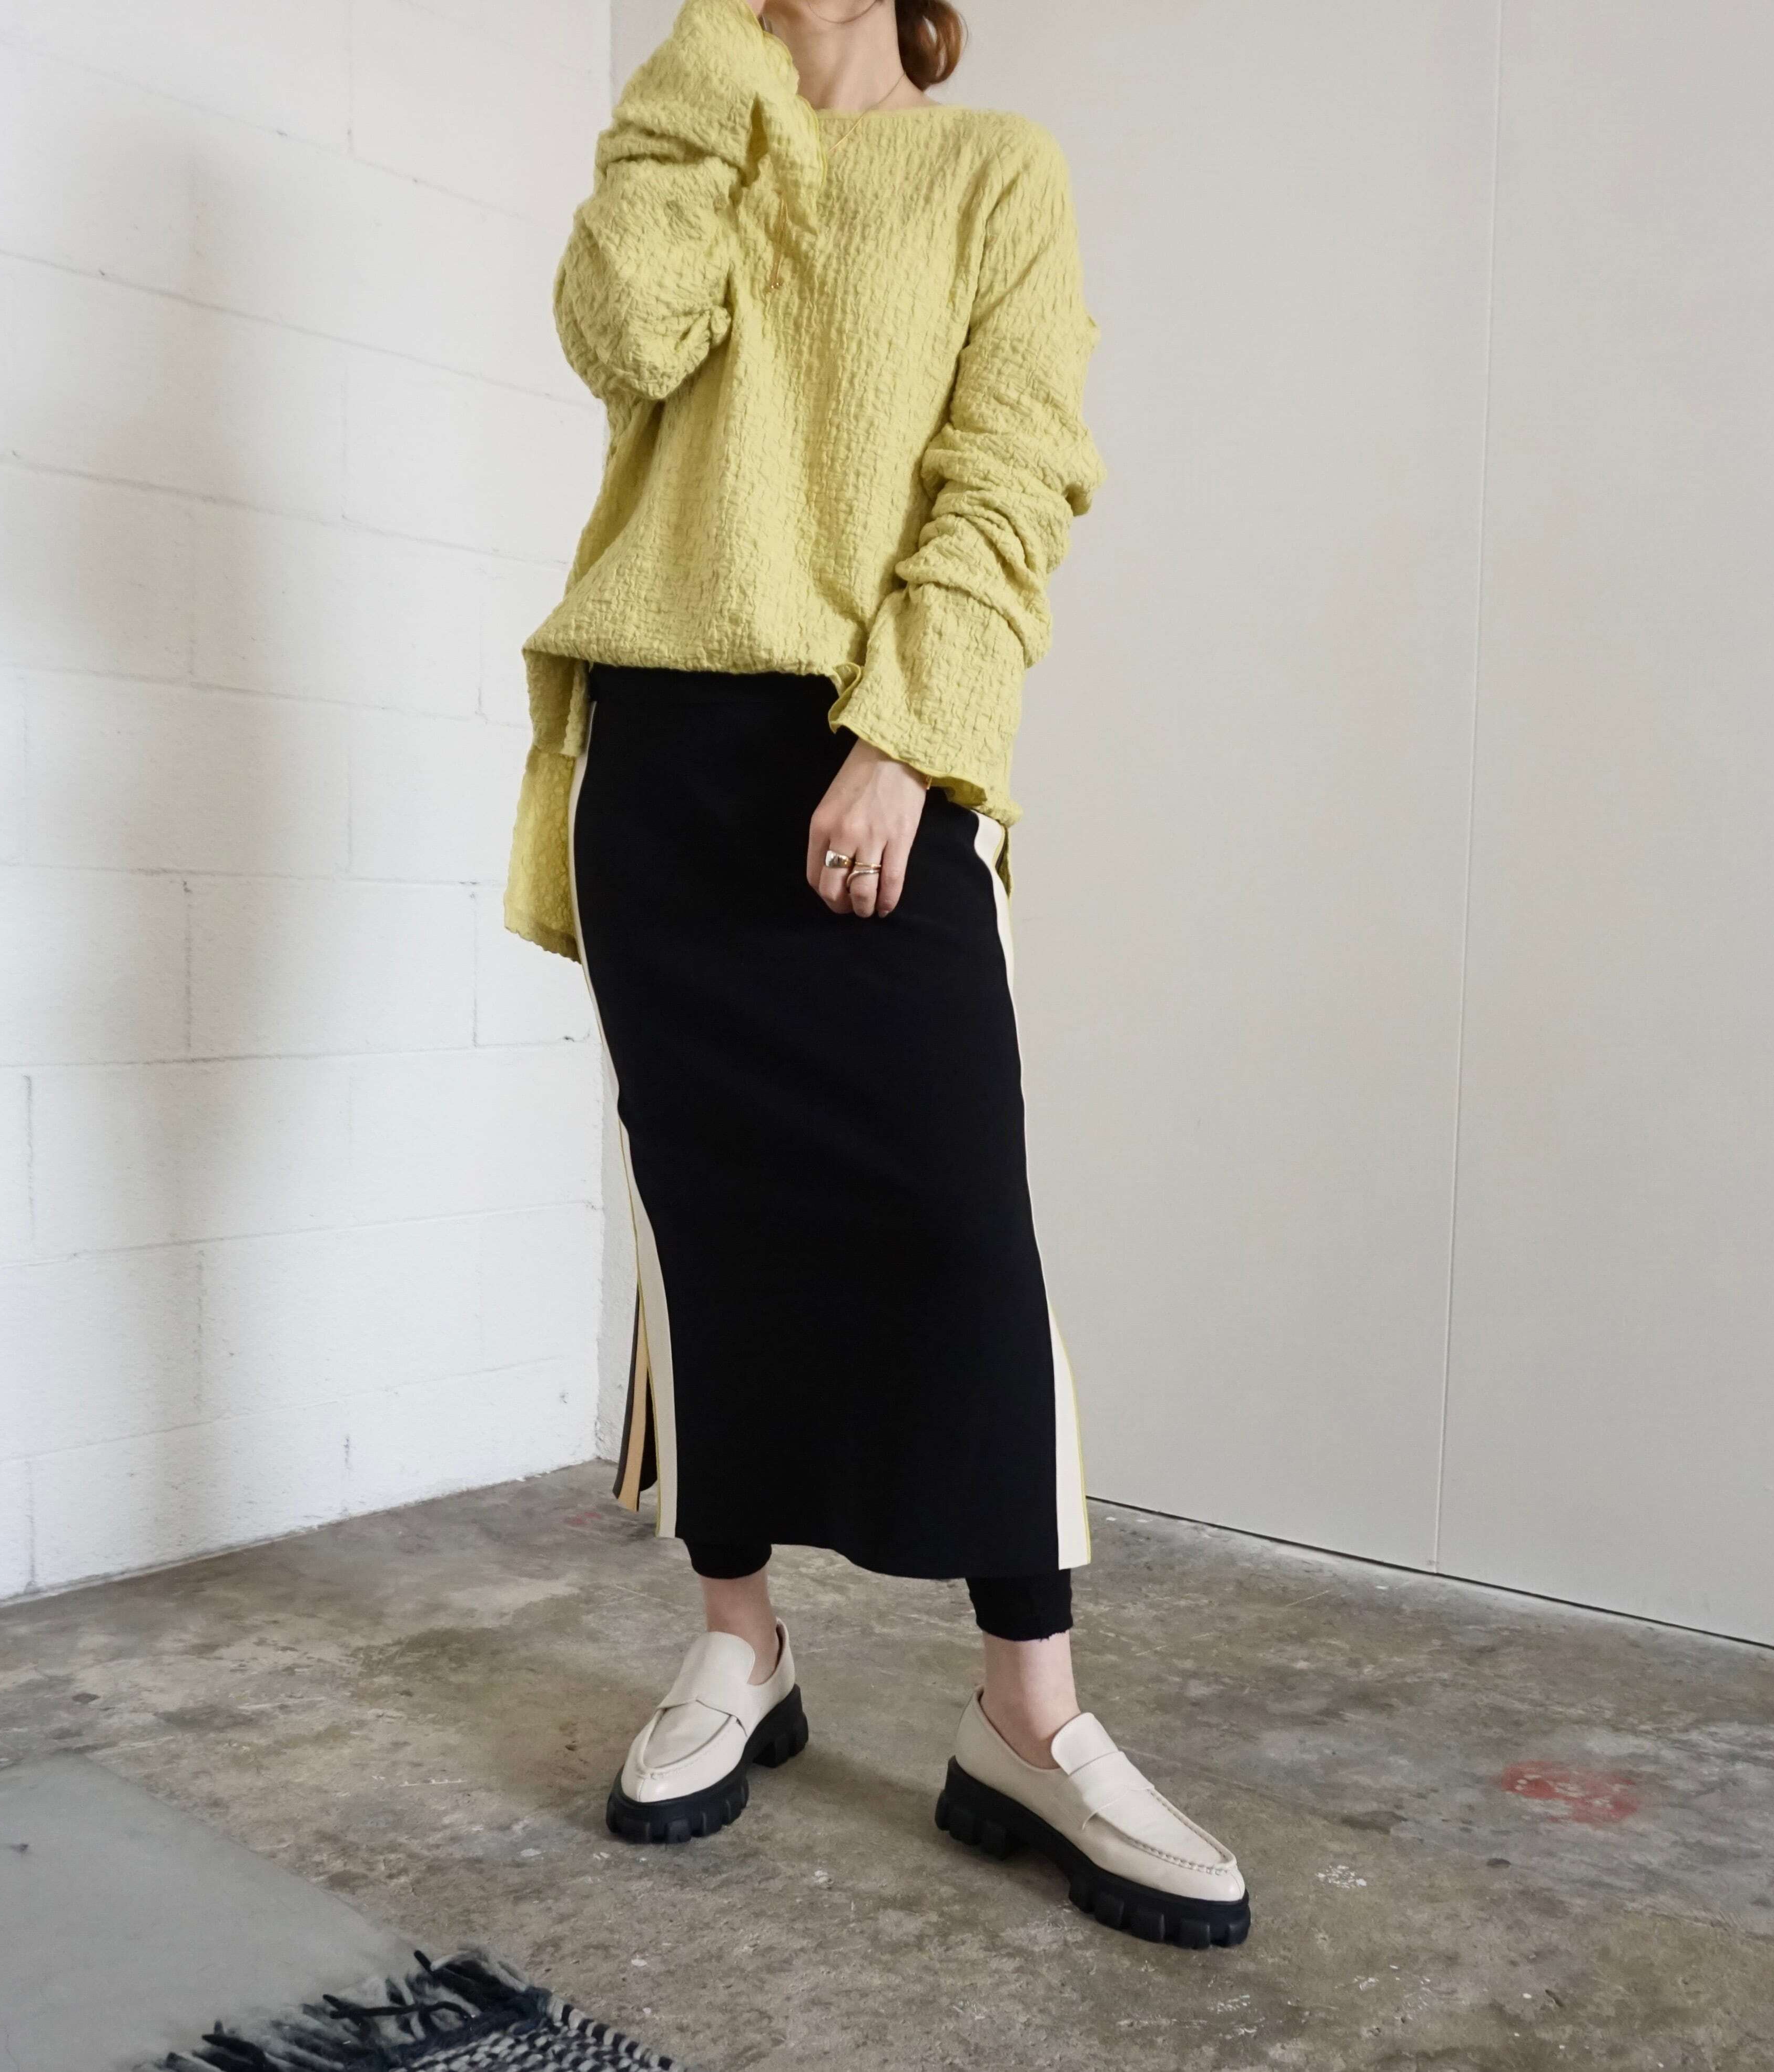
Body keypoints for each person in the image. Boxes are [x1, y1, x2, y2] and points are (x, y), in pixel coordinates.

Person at [503, 0, 1249, 1950]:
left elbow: (1012, 470)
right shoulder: (702, 117)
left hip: (865, 744)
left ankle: (1028, 1715)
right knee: (704, 1218)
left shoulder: (995, 170)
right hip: (660, 755)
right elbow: (620, 333)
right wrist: (716, 60)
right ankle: (736, 1643)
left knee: (956, 1224)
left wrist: (908, 741)